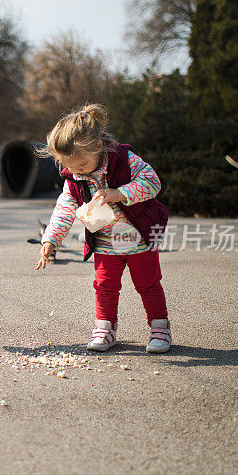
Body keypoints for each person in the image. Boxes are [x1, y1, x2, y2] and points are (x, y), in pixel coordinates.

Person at [34, 104, 171, 353]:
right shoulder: (74, 178)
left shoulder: (125, 160)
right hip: (106, 242)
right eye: (70, 168)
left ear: (97, 147)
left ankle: (160, 329)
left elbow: (152, 182)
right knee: (104, 285)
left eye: (82, 166)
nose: (76, 172)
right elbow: (65, 209)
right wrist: (50, 240)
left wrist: (119, 193)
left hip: (139, 236)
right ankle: (105, 328)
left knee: (148, 284)